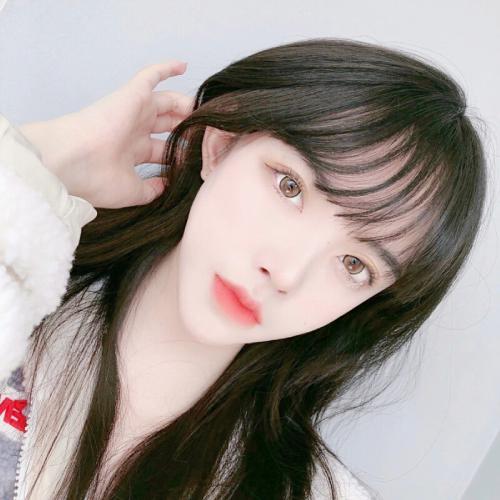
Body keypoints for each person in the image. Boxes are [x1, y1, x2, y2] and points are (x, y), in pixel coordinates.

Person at [0, 37, 487, 499]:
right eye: (290, 187)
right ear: (220, 145)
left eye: (354, 264)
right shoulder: (13, 287)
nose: (286, 272)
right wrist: (50, 156)